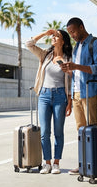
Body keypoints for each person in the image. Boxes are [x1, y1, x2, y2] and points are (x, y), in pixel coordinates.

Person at [60, 17, 97, 175]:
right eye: (69, 33)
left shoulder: (96, 43)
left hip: (91, 91)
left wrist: (77, 66)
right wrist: (70, 69)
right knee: (80, 131)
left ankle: (95, 164)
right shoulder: (76, 47)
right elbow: (77, 71)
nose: (72, 35)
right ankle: (83, 164)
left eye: (73, 31)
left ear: (81, 27)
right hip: (77, 92)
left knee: (92, 127)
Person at [26, 29, 73, 174]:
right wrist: (45, 33)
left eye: (56, 36)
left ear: (63, 40)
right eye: (52, 36)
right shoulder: (45, 55)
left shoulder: (68, 58)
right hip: (44, 95)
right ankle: (47, 163)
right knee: (45, 132)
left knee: (58, 132)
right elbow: (29, 44)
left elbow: (71, 80)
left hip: (60, 96)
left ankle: (56, 163)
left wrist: (69, 101)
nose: (53, 37)